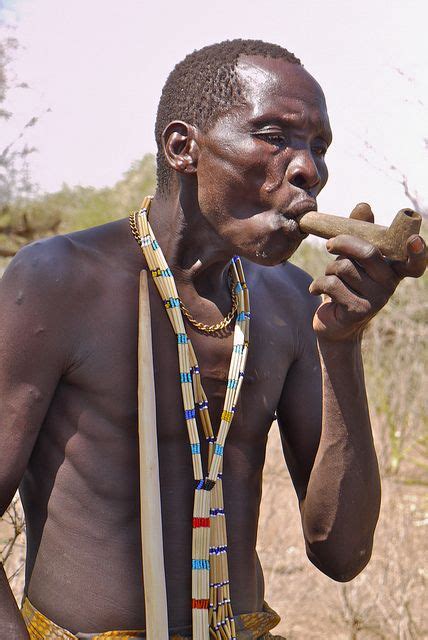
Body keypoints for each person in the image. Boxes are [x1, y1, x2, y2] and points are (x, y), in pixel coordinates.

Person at [0, 39, 426, 640]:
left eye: (319, 146)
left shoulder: (288, 304)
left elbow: (342, 554)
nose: (309, 169)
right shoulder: (59, 281)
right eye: (275, 136)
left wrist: (342, 343)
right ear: (184, 149)